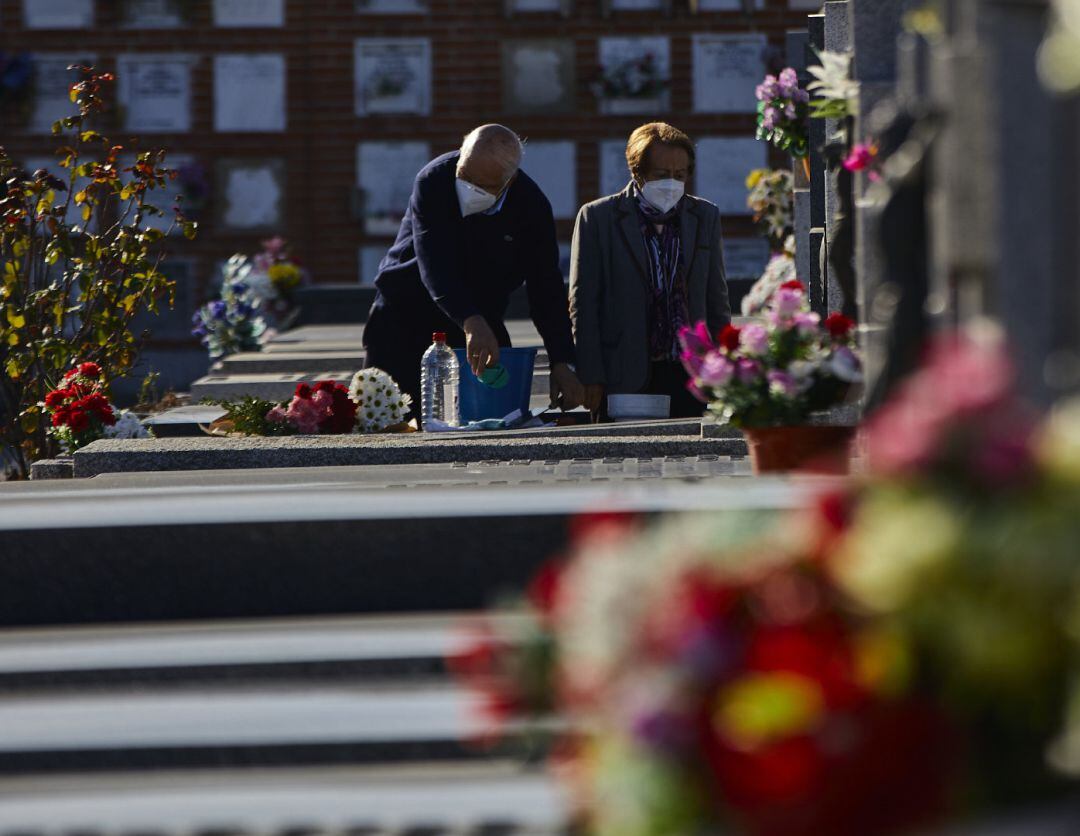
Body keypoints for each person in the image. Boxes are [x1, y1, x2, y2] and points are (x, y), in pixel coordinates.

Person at [362, 124, 584, 414]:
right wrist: (470, 320)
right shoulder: (435, 179)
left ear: (509, 180)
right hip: (407, 309)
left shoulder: (530, 207)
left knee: (495, 415)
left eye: (483, 187)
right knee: (385, 418)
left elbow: (546, 290)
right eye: (465, 177)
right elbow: (434, 263)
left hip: (481, 315)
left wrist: (562, 361)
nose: (470, 191)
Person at [569, 122, 731, 420]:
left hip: (689, 373)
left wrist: (725, 366)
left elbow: (716, 299)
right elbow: (584, 303)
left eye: (679, 175)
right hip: (625, 371)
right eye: (661, 175)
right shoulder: (599, 218)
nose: (671, 183)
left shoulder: (703, 216)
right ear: (637, 172)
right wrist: (590, 373)